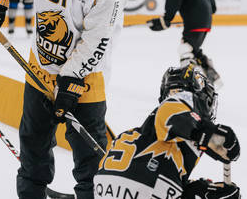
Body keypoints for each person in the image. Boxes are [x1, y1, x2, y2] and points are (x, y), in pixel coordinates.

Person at [0, 0, 126, 197]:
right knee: (33, 150)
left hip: (86, 78)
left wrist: (72, 78)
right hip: (40, 67)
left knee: (90, 162)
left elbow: (100, 37)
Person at [94, 64, 240, 198]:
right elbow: (171, 112)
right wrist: (205, 133)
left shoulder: (132, 135)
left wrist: (202, 192)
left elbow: (160, 181)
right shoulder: (180, 114)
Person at [147, 0, 222, 89]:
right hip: (206, 21)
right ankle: (212, 77)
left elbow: (174, 0)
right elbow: (212, 5)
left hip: (195, 22)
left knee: (184, 49)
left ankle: (192, 87)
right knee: (193, 50)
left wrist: (166, 20)